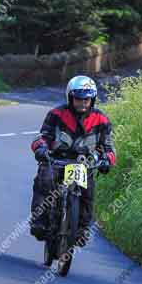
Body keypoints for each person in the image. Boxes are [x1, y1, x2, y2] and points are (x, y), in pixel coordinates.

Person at [29, 75, 116, 246]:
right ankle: (40, 221)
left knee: (88, 193)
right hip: (55, 160)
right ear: (70, 97)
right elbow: (43, 136)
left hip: (85, 164)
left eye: (87, 99)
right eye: (78, 99)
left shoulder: (102, 120)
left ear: (93, 99)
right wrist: (41, 149)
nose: (82, 103)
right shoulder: (56, 114)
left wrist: (107, 160)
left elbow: (109, 147)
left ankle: (82, 230)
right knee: (44, 181)